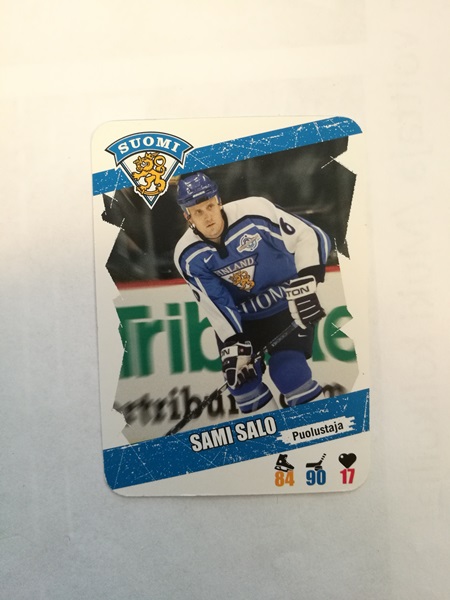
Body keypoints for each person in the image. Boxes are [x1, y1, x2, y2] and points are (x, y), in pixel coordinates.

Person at [174, 172, 331, 414]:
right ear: (188, 216)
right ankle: (274, 436)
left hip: (285, 307)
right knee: (243, 386)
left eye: (210, 206)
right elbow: (216, 302)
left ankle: (318, 428)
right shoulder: (188, 254)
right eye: (198, 212)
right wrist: (234, 341)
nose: (208, 216)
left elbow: (308, 235)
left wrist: (307, 283)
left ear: (219, 201)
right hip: (243, 322)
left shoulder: (255, 213)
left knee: (289, 372)